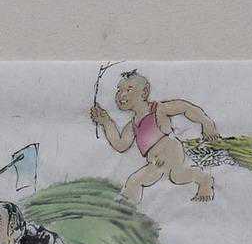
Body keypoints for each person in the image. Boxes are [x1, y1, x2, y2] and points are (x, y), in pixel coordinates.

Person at [89, 71, 219, 203]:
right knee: (134, 181)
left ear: (144, 92)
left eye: (129, 90)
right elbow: (121, 145)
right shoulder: (132, 125)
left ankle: (205, 180)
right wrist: (106, 122)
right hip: (155, 162)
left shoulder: (158, 109)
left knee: (177, 176)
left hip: (170, 151)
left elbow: (185, 107)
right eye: (119, 90)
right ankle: (127, 207)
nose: (122, 95)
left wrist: (207, 123)